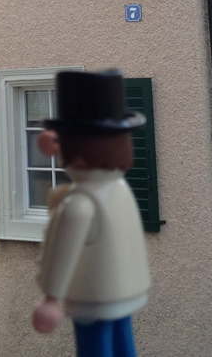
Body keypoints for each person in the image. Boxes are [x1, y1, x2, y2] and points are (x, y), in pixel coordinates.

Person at [32, 70, 150, 357]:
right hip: (125, 290)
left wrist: (52, 298)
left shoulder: (80, 204)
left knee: (96, 347)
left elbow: (63, 252)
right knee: (123, 344)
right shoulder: (119, 187)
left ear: (75, 150)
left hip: (93, 296)